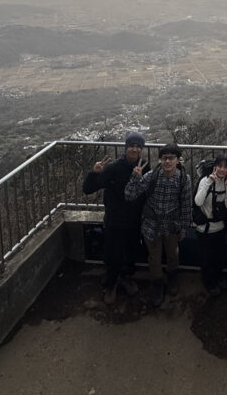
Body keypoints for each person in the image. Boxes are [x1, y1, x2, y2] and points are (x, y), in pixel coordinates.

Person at [124, 142, 192, 308]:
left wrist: (184, 228)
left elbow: (186, 205)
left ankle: (172, 278)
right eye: (164, 158)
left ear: (178, 160)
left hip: (171, 225)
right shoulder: (152, 176)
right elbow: (129, 195)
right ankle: (157, 285)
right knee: (154, 258)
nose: (167, 161)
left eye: (171, 158)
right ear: (160, 160)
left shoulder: (183, 179)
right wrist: (135, 177)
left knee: (173, 254)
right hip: (151, 225)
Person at [82, 131, 145, 304]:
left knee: (131, 252)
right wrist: (94, 173)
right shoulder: (113, 168)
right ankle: (110, 285)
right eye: (131, 146)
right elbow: (88, 189)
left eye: (138, 146)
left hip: (134, 220)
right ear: (126, 148)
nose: (134, 149)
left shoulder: (144, 167)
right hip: (114, 220)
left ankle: (126, 278)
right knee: (112, 254)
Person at [193, 153, 227, 296]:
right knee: (206, 258)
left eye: (225, 167)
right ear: (215, 166)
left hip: (220, 227)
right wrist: (209, 182)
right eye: (219, 166)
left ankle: (218, 278)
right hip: (204, 228)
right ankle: (209, 282)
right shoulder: (205, 180)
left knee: (219, 257)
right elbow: (198, 201)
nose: (222, 169)